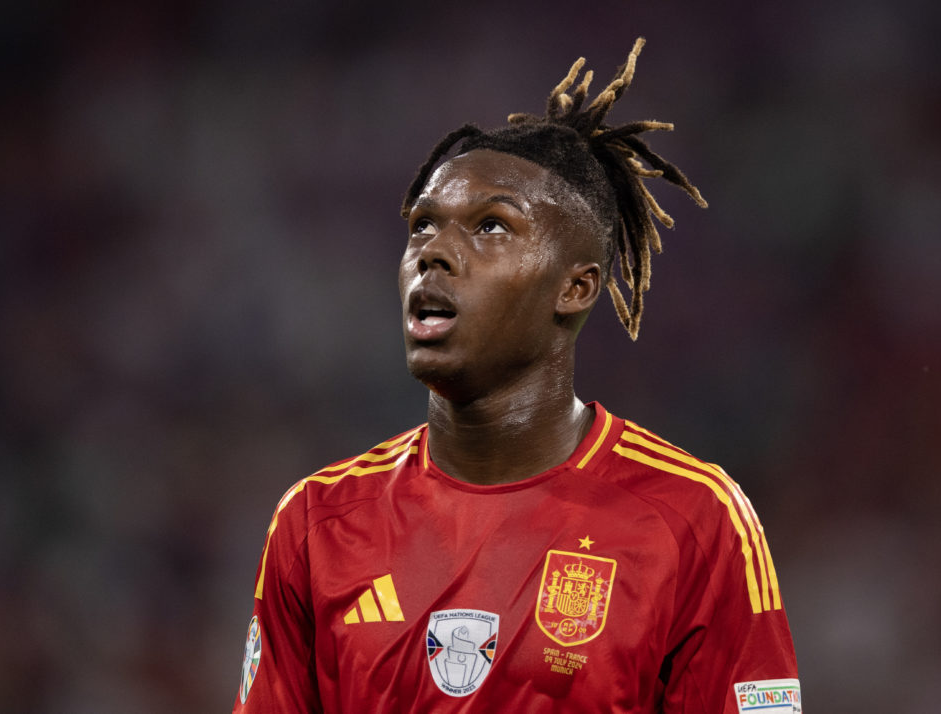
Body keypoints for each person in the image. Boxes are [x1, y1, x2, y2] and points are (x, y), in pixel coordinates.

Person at [232, 38, 801, 713]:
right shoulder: (316, 524)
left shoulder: (695, 521)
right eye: (421, 228)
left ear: (577, 286)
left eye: (491, 226)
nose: (433, 254)